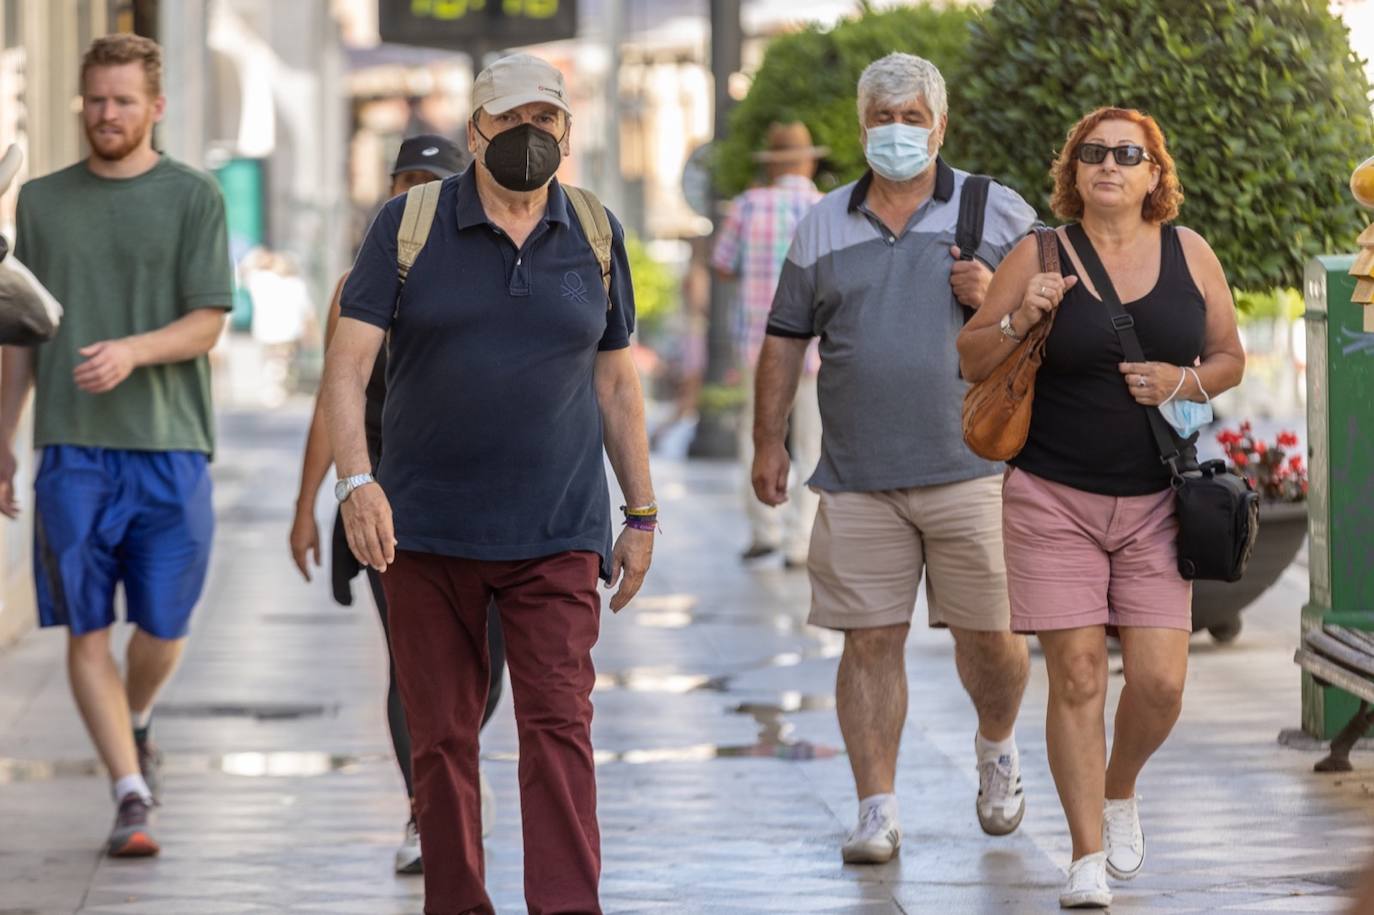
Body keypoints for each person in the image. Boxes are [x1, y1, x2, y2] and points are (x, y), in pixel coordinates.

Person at [321, 53, 655, 914]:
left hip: (558, 532)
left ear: (566, 132)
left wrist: (643, 511)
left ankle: (567, 906)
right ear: (477, 130)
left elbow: (618, 383)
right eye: (512, 122)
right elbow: (347, 369)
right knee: (441, 740)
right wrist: (356, 482)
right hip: (425, 531)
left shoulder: (593, 228)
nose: (530, 137)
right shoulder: (408, 223)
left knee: (559, 731)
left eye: (546, 121)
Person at [956, 107, 1245, 908]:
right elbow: (972, 353)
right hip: (1052, 495)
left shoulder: (1191, 253)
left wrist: (1179, 381)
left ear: (1156, 173)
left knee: (1159, 684)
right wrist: (1023, 314)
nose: (1109, 165)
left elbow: (1228, 357)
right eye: (1094, 153)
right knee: (1077, 675)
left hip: (1158, 499)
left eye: (1128, 154)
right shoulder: (1037, 252)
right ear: (1074, 171)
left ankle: (1120, 787)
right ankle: (1086, 854)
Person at [755, 52, 1037, 866]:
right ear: (861, 125)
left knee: (992, 639)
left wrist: (998, 299)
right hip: (857, 477)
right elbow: (784, 340)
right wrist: (766, 440)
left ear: (940, 126)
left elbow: (1057, 315)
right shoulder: (822, 223)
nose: (898, 131)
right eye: (883, 117)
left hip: (975, 469)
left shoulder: (996, 210)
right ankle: (875, 806)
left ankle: (996, 746)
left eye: (913, 117)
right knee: (868, 641)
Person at [0, 35, 231, 857]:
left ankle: (136, 720)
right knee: (86, 628)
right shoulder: (42, 204)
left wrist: (133, 350)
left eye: (123, 101)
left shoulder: (194, 195)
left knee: (164, 628)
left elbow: (209, 320)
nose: (107, 114)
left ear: (154, 108)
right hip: (72, 451)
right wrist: (5, 438)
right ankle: (129, 791)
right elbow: (19, 333)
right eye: (96, 99)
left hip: (171, 446)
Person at [289, 133, 505, 875]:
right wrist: (307, 503)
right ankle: (428, 807)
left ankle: (450, 776)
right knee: (414, 666)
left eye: (430, 181)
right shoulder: (357, 284)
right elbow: (332, 397)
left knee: (489, 667)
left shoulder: (486, 272)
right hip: (387, 500)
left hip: (496, 502)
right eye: (403, 180)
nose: (414, 192)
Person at [713, 121, 825, 568]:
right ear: (809, 160)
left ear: (771, 164)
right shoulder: (824, 207)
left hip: (760, 347)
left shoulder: (747, 205)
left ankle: (765, 531)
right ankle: (800, 543)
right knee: (812, 443)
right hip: (815, 346)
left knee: (757, 435)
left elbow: (722, 264)